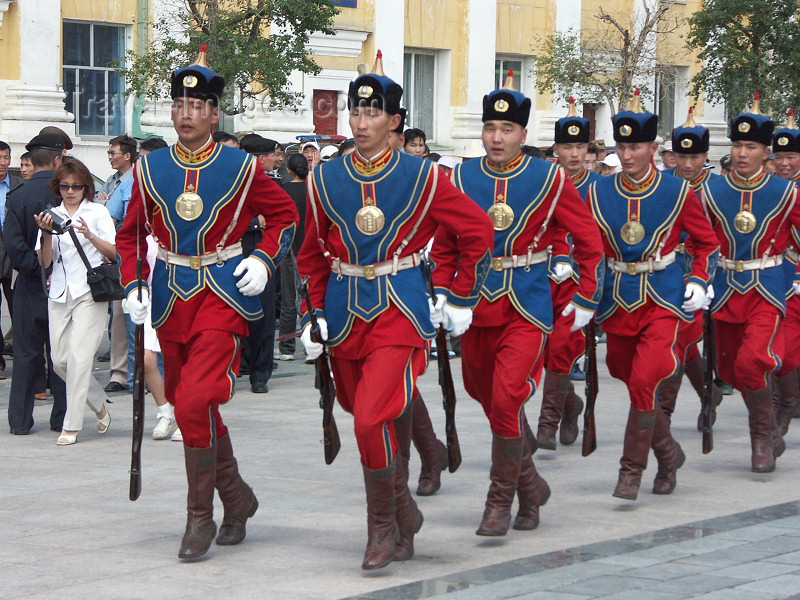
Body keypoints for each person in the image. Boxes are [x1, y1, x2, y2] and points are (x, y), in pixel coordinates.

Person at [298, 52, 493, 570]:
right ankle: (403, 510)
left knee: (369, 420)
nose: (361, 124)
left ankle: (382, 526)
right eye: (355, 114)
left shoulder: (423, 177)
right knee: (363, 414)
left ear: (394, 121)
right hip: (343, 311)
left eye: (372, 114)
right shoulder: (323, 179)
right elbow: (311, 252)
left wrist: (456, 292)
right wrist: (312, 312)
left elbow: (475, 232)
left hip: (399, 309)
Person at [116, 45, 298, 560]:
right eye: (179, 104)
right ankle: (237, 496)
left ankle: (200, 517)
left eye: (198, 107)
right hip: (171, 296)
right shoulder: (150, 171)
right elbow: (131, 236)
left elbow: (284, 217)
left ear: (215, 113)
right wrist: (133, 282)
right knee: (191, 405)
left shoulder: (241, 166)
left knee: (194, 402)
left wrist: (263, 259)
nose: (187, 114)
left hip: (222, 292)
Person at [432, 73, 602, 536]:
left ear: (523, 135)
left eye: (506, 129)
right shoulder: (461, 175)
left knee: (507, 398)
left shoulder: (547, 176)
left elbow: (588, 239)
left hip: (526, 305)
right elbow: (445, 244)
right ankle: (531, 485)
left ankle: (498, 501)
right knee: (484, 396)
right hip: (473, 308)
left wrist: (587, 295)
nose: (496, 137)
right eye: (490, 127)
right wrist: (445, 292)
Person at [587, 90, 718, 500]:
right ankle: (668, 451)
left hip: (663, 296)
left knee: (647, 378)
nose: (627, 155)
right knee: (623, 372)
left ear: (654, 147)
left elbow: (706, 243)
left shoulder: (678, 192)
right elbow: (578, 240)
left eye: (636, 146)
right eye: (622, 146)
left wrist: (698, 278)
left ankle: (631, 470)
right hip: (617, 295)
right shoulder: (596, 192)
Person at [702, 95, 800, 473]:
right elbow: (698, 238)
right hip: (725, 287)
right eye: (738, 145)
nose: (742, 153)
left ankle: (761, 440)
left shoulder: (787, 193)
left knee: (754, 360)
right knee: (732, 371)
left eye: (752, 147)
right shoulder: (711, 191)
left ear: (766, 152)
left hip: (768, 287)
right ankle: (770, 435)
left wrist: (791, 267)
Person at [34, 158, 116, 445]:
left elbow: (114, 253)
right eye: (66, 186)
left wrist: (88, 234)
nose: (71, 192)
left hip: (90, 291)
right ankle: (99, 403)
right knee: (60, 361)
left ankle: (72, 424)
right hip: (59, 291)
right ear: (58, 187)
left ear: (86, 187)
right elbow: (45, 261)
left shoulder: (97, 213)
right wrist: (45, 233)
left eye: (77, 187)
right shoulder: (51, 215)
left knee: (81, 359)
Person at [536, 98, 602, 450]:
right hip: (540, 279)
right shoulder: (543, 183)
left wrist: (595, 291)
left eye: (580, 146)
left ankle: (547, 424)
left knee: (562, 348)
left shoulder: (601, 188)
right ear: (556, 149)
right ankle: (571, 404)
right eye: (567, 146)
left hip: (579, 282)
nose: (574, 153)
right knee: (544, 353)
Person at [656, 108, 724, 432]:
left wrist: (706, 279)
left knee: (684, 339)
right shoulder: (661, 183)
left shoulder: (719, 189)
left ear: (705, 156)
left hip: (707, 270)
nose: (685, 164)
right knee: (680, 340)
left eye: (694, 156)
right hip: (666, 270)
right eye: (680, 156)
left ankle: (665, 413)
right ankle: (706, 391)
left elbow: (722, 239)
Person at [5, 133, 68, 434]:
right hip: (64, 285)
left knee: (26, 354)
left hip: (30, 285)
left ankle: (19, 421)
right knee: (61, 354)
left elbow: (13, 245)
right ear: (57, 160)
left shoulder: (16, 196)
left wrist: (34, 270)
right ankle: (62, 419)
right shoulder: (67, 195)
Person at [238, 134, 281, 394]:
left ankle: (260, 374)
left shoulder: (271, 184)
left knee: (263, 318)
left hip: (263, 255)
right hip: (235, 254)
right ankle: (236, 367)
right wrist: (255, 222)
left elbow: (282, 218)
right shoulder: (232, 182)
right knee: (232, 315)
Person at [770, 111, 800, 436]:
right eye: (779, 156)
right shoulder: (769, 190)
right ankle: (785, 404)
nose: (784, 163)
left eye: (790, 155)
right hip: (782, 281)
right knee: (784, 348)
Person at [101, 135, 138, 393]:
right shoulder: (112, 182)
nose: (110, 156)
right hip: (117, 253)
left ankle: (141, 372)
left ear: (127, 156)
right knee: (119, 314)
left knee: (136, 314)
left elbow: (109, 212)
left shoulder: (135, 180)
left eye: (114, 152)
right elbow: (104, 214)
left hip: (139, 253)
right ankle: (119, 373)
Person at [276, 153, 309, 361]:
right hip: (310, 249)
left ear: (289, 170)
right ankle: (311, 345)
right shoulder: (314, 191)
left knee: (288, 300)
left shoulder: (284, 191)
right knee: (310, 299)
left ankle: (287, 347)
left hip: (289, 249)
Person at [0, 140, 22, 379]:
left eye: (6, 157)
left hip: (15, 258)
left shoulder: (18, 185)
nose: (3, 163)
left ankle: (27, 361)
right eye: (0, 158)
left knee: (19, 310)